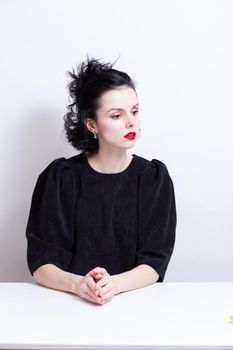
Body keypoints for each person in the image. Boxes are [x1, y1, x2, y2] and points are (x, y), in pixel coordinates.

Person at [25, 55, 177, 306]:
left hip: (134, 306)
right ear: (91, 123)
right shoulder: (61, 178)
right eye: (116, 115)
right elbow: (41, 262)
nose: (131, 122)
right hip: (65, 306)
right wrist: (78, 284)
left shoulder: (153, 179)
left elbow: (155, 262)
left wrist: (114, 285)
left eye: (135, 111)